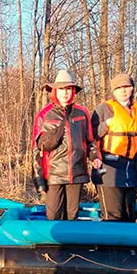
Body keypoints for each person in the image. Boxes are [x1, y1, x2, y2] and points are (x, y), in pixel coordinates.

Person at [32, 70, 98, 220]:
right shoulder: (44, 115)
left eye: (68, 88)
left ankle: (71, 243)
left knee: (72, 215)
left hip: (77, 173)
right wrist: (39, 180)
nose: (65, 92)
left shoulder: (82, 113)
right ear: (55, 90)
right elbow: (36, 150)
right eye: (61, 89)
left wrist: (94, 156)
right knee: (53, 215)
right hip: (54, 173)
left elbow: (90, 141)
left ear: (73, 91)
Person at [91, 73, 137, 222]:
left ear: (132, 88)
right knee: (112, 216)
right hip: (109, 166)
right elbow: (91, 136)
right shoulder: (104, 108)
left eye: (127, 86)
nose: (123, 90)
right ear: (114, 91)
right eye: (119, 87)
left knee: (129, 214)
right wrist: (106, 125)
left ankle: (129, 244)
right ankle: (109, 245)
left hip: (131, 167)